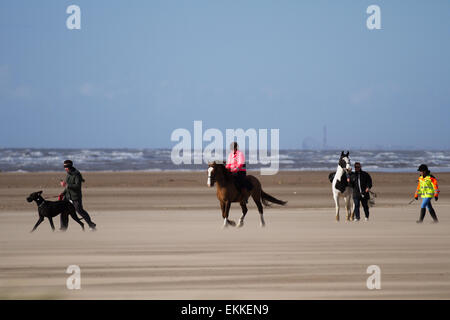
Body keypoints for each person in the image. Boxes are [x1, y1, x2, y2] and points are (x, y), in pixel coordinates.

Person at [60, 160, 97, 230]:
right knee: (63, 211)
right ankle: (63, 228)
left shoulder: (77, 174)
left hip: (75, 197)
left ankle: (91, 225)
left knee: (80, 211)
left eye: (66, 166)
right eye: (64, 166)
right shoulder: (68, 173)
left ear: (69, 166)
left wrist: (66, 185)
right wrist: (63, 193)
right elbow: (67, 186)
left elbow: (77, 186)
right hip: (68, 196)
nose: (65, 168)